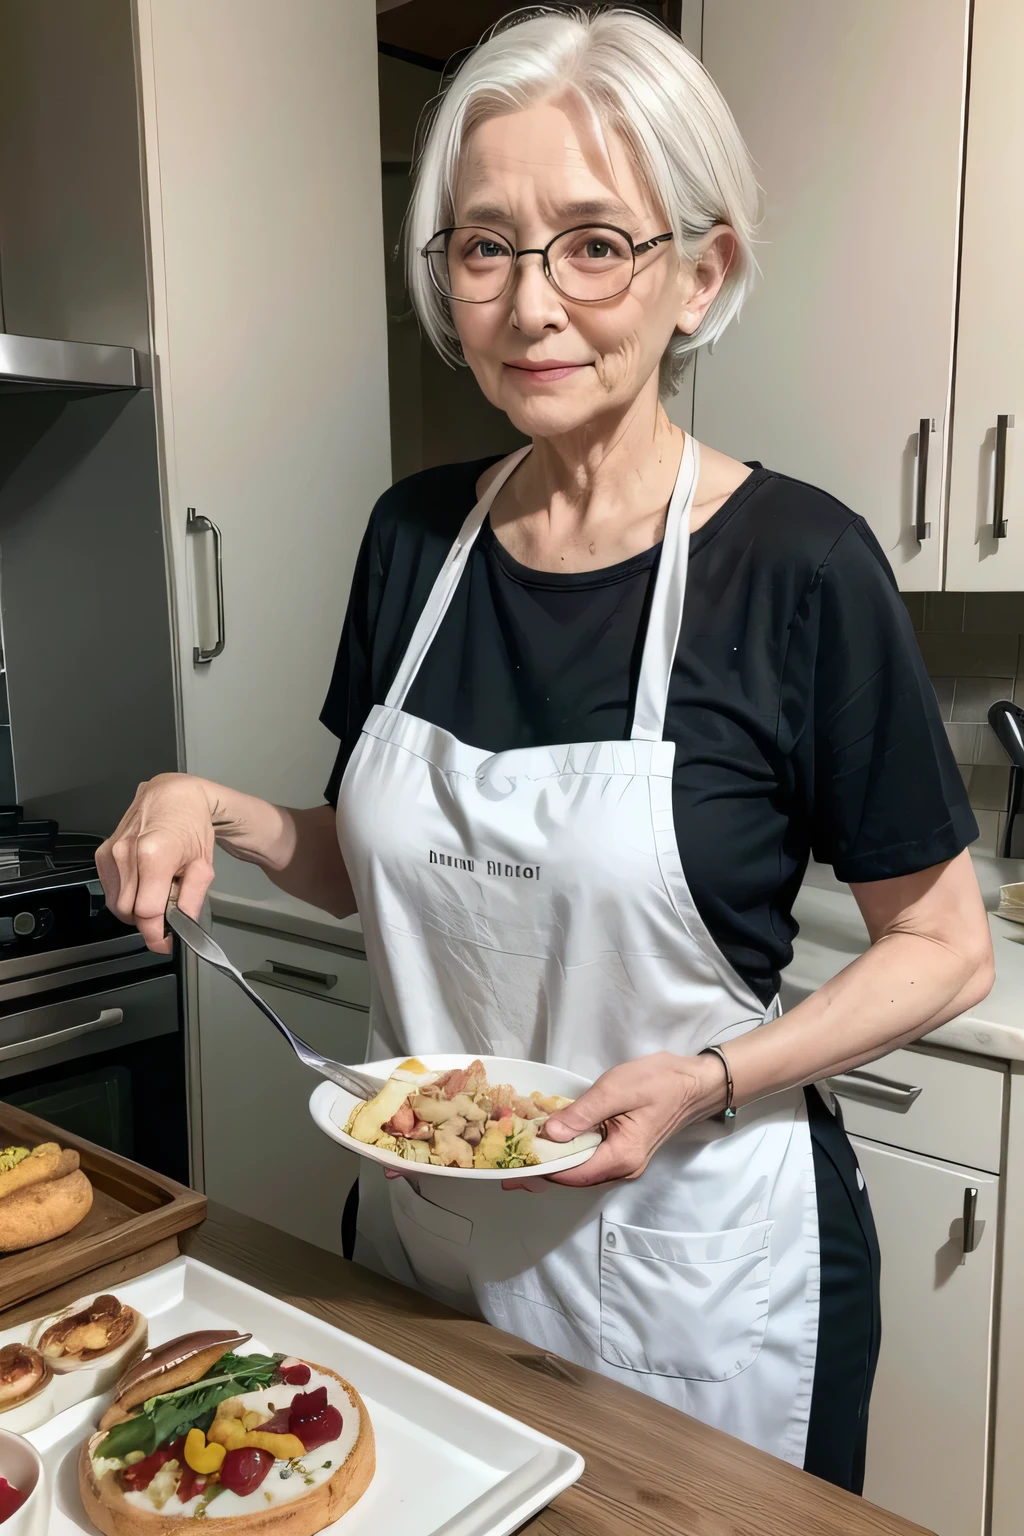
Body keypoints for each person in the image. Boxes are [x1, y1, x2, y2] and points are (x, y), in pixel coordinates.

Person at [97, 6, 993, 1493]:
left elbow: (947, 950)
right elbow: (389, 867)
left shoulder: (801, 566)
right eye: (484, 245)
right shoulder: (412, 539)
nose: (532, 304)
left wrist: (703, 1079)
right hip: (431, 1248)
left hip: (704, 1273)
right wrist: (225, 811)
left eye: (595, 242)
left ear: (698, 273)